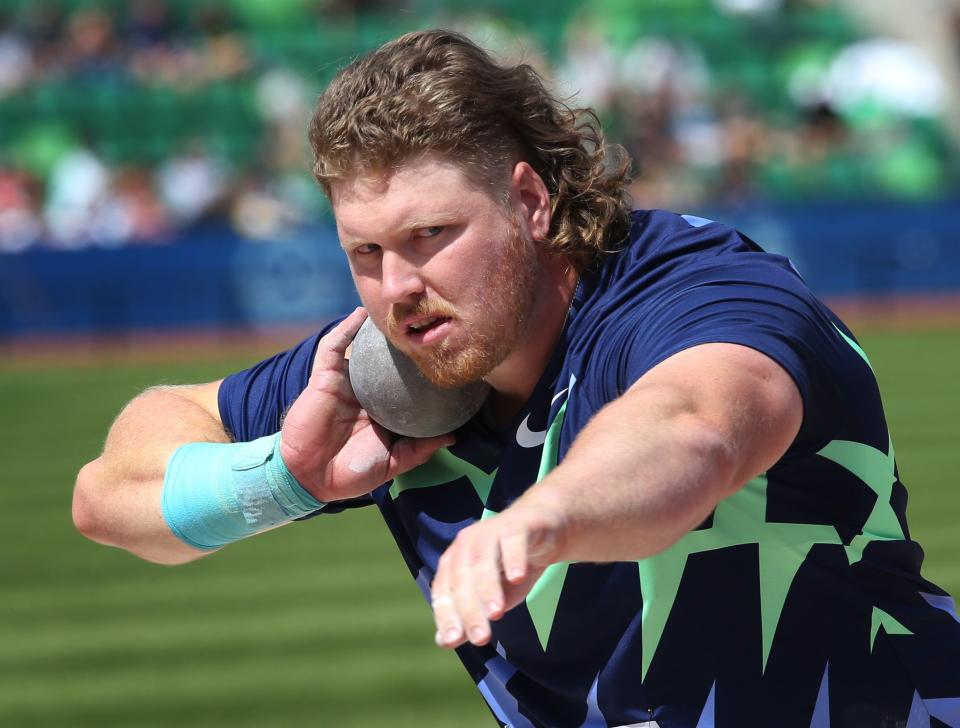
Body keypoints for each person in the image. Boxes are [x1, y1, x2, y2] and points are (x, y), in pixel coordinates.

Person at [72, 29, 960, 728]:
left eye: (431, 237)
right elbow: (111, 487)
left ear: (531, 203)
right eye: (366, 253)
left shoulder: (693, 290)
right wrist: (277, 482)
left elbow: (694, 427)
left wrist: (544, 518)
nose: (400, 288)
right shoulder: (389, 368)